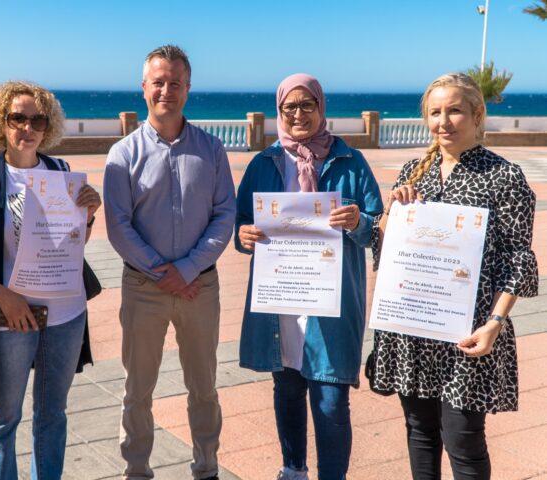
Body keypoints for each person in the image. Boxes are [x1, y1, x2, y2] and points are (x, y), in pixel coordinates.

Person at [370, 73, 538, 479]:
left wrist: (494, 324)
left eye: (455, 110)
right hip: (413, 327)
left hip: (469, 331)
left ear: (477, 114)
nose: (443, 121)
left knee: (463, 441)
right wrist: (394, 211)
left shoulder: (504, 176)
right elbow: (387, 250)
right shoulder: (414, 169)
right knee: (420, 432)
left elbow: (518, 259)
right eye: (435, 112)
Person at [235, 73, 383, 480]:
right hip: (281, 298)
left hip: (332, 305)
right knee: (287, 390)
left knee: (332, 399)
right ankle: (293, 469)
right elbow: (242, 222)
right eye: (289, 107)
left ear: (321, 107)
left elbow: (376, 229)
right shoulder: (264, 163)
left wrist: (357, 221)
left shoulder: (351, 162)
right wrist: (243, 233)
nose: (298, 114)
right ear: (279, 111)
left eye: (307, 105)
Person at [103, 45, 236, 480]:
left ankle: (207, 467)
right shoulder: (122, 155)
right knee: (137, 391)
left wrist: (189, 268)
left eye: (175, 82)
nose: (167, 90)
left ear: (188, 88)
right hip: (145, 290)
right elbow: (119, 226)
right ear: (144, 88)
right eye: (158, 82)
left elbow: (225, 215)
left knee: (204, 388)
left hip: (201, 288)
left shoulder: (213, 150)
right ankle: (137, 471)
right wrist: (165, 272)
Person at [0, 80, 102, 479]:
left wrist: (88, 216)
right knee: (2, 419)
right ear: (0, 123)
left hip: (66, 314)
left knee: (52, 415)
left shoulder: (62, 173)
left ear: (48, 125)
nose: (28, 127)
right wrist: (6, 299)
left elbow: (70, 245)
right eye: (17, 118)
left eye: (37, 119)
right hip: (9, 319)